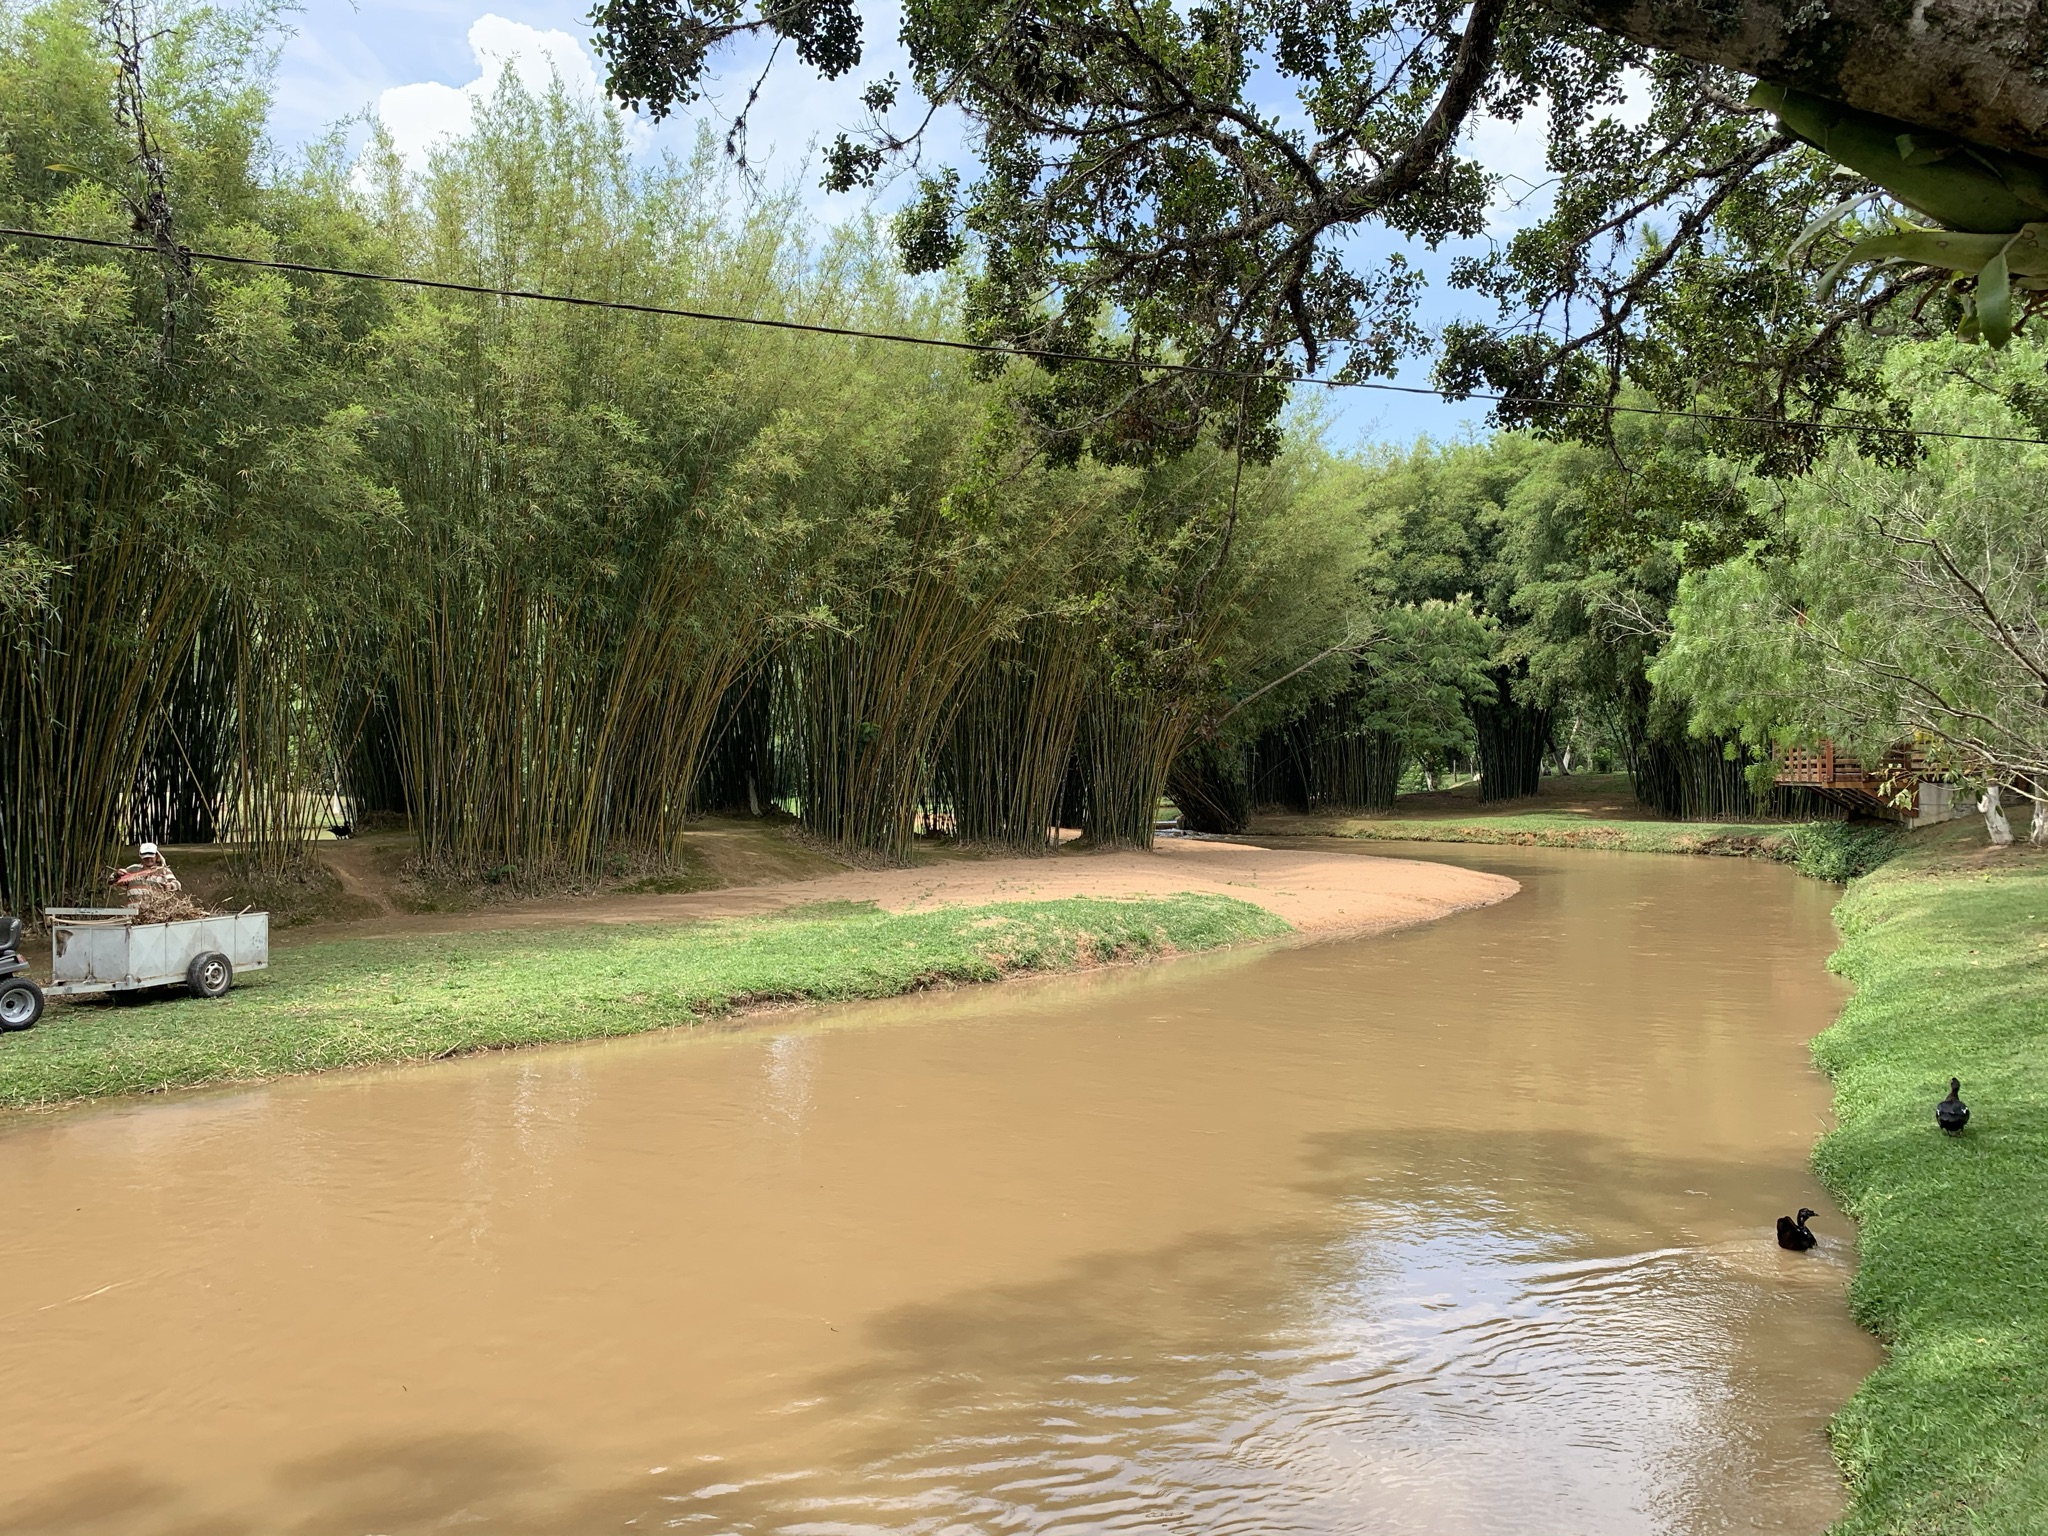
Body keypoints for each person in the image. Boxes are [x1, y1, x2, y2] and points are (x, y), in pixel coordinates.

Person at [110, 842, 182, 899]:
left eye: (151, 857)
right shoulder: (132, 869)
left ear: (156, 856)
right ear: (141, 857)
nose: (149, 860)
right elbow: (111, 881)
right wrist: (117, 874)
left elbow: (177, 884)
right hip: (133, 911)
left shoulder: (163, 870)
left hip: (155, 911)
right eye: (146, 858)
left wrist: (171, 885)